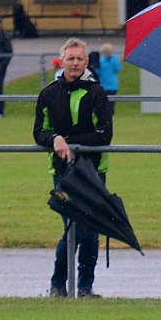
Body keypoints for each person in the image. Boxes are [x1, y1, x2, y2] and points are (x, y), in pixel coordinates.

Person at [33, 38, 113, 298]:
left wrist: (68, 141)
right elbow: (39, 132)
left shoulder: (97, 93)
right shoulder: (48, 94)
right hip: (62, 171)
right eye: (71, 59)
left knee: (88, 231)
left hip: (93, 171)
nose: (76, 63)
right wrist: (54, 139)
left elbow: (104, 134)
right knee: (73, 227)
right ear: (62, 62)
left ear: (87, 63)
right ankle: (58, 284)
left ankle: (85, 286)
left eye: (80, 59)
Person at [96, 44, 122, 114]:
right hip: (103, 86)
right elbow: (97, 72)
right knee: (103, 104)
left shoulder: (114, 59)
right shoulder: (101, 61)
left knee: (111, 105)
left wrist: (113, 60)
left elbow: (117, 69)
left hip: (112, 86)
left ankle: (110, 119)